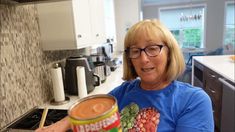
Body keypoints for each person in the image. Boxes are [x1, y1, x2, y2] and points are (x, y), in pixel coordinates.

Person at [36, 19, 214, 132]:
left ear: (169, 53)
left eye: (152, 48)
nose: (144, 59)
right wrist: (60, 125)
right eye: (136, 51)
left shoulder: (194, 101)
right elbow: (88, 110)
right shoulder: (122, 93)